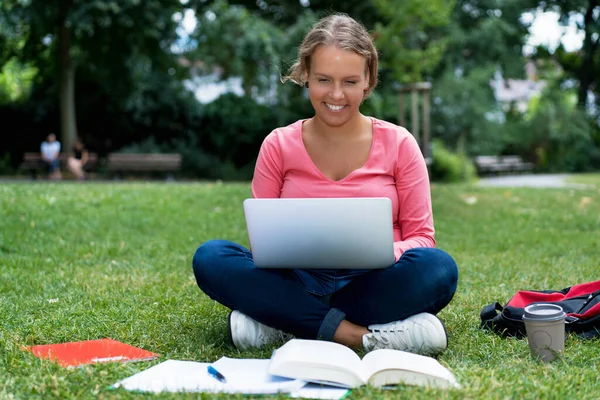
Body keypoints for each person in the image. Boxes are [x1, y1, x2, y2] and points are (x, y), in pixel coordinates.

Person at [192, 13, 458, 356]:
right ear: (305, 75)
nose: (336, 94)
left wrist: (384, 252)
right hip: (296, 280)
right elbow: (262, 243)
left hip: (373, 282)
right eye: (323, 80)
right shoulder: (278, 144)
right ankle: (355, 335)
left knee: (439, 268)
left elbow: (423, 239)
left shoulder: (400, 144)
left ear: (368, 80)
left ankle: (283, 322)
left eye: (349, 81)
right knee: (211, 257)